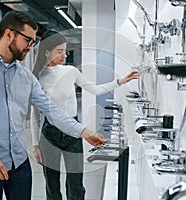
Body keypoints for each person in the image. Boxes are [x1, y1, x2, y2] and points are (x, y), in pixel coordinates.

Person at [0, 11, 106, 200]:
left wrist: (85, 132)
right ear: (9, 34)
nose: (31, 47)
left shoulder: (25, 76)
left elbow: (50, 110)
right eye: (28, 40)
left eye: (33, 42)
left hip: (19, 163)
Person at [31, 30, 139, 200]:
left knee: (76, 185)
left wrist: (120, 81)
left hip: (73, 132)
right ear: (47, 52)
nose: (65, 55)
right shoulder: (38, 78)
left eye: (65, 51)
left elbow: (94, 89)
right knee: (52, 185)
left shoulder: (70, 71)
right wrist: (36, 145)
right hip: (49, 133)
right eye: (60, 51)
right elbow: (35, 114)